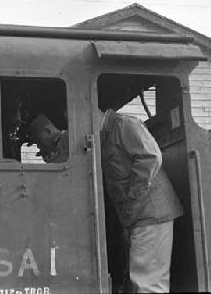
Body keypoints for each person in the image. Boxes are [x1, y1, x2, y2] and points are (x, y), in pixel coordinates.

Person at [27, 110, 182, 293]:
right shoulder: (104, 136)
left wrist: (131, 195)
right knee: (139, 280)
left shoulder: (124, 125)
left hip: (150, 212)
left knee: (148, 283)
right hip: (135, 215)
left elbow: (150, 157)